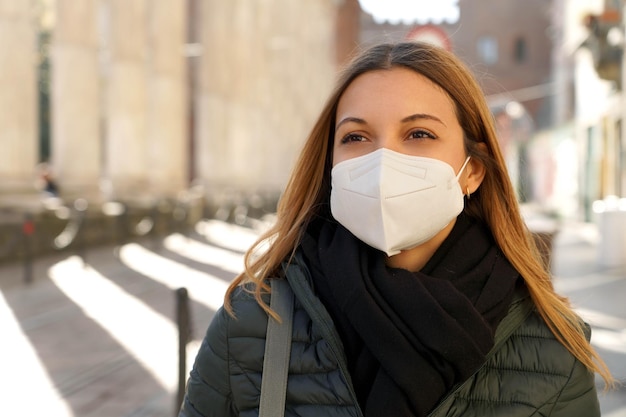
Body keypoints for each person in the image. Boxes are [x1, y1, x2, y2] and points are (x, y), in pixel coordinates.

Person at [179, 41, 614, 417]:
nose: (383, 160)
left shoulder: (552, 345)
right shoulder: (253, 322)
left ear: (473, 172)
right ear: (330, 166)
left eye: (419, 133)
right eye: (356, 137)